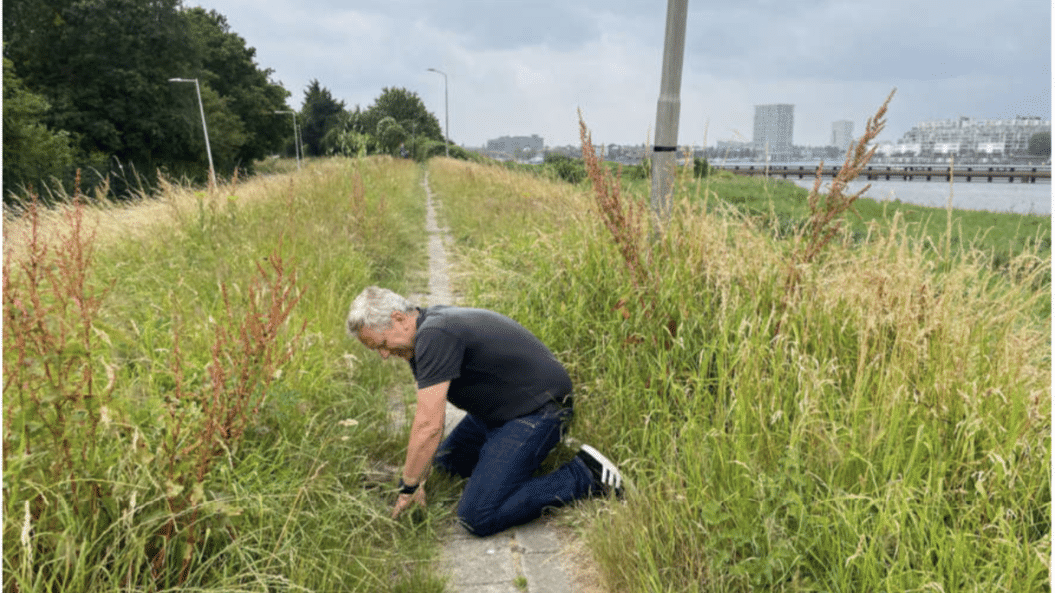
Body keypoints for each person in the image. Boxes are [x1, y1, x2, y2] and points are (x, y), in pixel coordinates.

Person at [346, 286, 623, 537]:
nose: (383, 355)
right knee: (442, 469)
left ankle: (585, 474)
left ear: (398, 319)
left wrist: (408, 489)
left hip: (539, 411)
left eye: (382, 344)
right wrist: (417, 477)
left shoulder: (434, 335)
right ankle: (524, 454)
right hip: (497, 413)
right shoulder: (423, 333)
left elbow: (429, 425)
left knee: (477, 516)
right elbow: (430, 428)